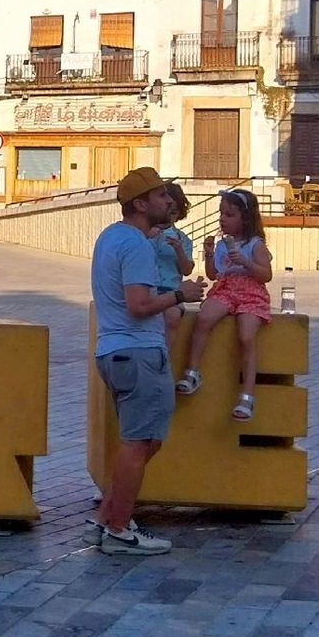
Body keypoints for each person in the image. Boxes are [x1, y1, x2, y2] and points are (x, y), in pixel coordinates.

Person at [88, 167, 203, 556]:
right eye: (160, 196)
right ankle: (119, 529)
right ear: (140, 204)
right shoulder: (135, 245)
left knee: (144, 440)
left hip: (115, 352)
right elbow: (139, 305)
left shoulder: (110, 237)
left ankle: (105, 517)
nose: (169, 201)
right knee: (139, 444)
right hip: (137, 353)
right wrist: (180, 294)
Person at [180, 188, 274, 421]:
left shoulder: (255, 244)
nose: (223, 219)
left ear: (245, 218)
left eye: (229, 214)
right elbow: (214, 275)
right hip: (226, 289)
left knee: (246, 336)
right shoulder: (222, 244)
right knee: (204, 318)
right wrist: (210, 255)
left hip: (250, 291)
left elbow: (266, 275)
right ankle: (192, 371)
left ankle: (247, 394)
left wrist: (246, 262)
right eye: (221, 213)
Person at [150, 184, 194, 343]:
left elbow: (187, 269)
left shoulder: (182, 239)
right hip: (149, 289)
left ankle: (166, 357)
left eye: (174, 212)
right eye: (167, 210)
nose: (170, 216)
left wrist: (179, 250)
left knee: (172, 316)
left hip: (171, 291)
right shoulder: (145, 233)